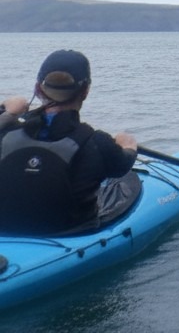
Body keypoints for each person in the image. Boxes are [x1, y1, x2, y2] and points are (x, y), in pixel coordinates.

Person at [0, 50, 140, 234]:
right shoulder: (97, 142)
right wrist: (127, 143)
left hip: (6, 231)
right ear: (86, 92)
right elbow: (121, 167)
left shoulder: (6, 132)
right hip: (69, 232)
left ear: (38, 88)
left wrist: (6, 111)